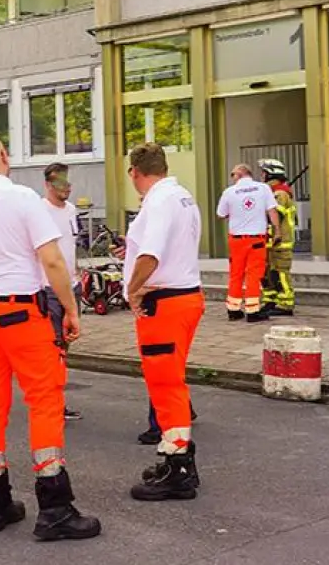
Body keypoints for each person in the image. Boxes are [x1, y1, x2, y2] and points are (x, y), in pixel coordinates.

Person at [0, 135, 100, 541]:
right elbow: (51, 259)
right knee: (45, 400)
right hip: (20, 312)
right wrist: (71, 309)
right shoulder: (23, 199)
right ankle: (55, 507)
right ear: (5, 158)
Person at [115, 142, 204, 501]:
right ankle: (172, 456)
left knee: (165, 388)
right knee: (171, 383)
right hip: (183, 297)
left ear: (135, 172)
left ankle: (179, 470)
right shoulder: (181, 196)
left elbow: (151, 255)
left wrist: (132, 291)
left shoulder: (158, 201)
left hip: (163, 303)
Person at [37, 163, 82, 421]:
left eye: (67, 183)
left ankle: (57, 399)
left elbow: (70, 247)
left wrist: (77, 276)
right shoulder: (39, 212)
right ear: (48, 185)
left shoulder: (71, 211)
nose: (65, 187)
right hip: (48, 288)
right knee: (52, 349)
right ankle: (51, 402)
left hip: (71, 287)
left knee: (64, 348)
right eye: (59, 183)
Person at [215, 164, 278, 322]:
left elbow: (221, 214)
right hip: (256, 239)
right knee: (254, 274)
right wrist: (277, 230)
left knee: (236, 274)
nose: (232, 178)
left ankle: (233, 309)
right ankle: (252, 311)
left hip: (236, 240)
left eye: (232, 174)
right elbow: (272, 210)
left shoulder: (229, 192)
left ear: (239, 175)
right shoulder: (263, 188)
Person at [259, 159, 298, 317]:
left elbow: (275, 215)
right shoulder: (272, 192)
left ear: (270, 174)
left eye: (264, 172)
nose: (261, 175)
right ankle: (270, 300)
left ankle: (286, 304)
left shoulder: (280, 194)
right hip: (269, 242)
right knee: (267, 273)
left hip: (280, 242)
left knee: (281, 272)